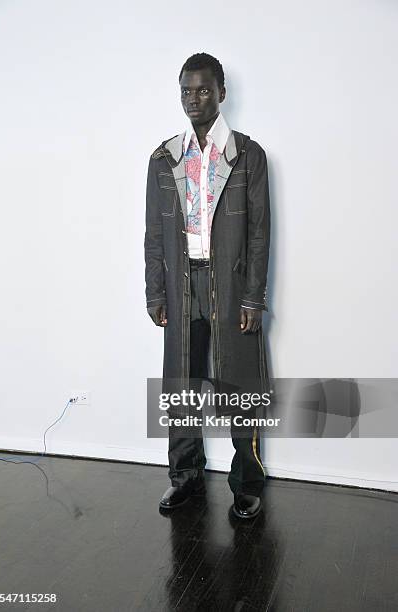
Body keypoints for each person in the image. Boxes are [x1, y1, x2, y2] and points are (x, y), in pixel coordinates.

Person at [144, 52, 271, 519]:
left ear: (221, 92)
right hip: (181, 286)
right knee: (181, 385)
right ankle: (185, 477)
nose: (193, 99)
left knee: (240, 385)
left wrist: (254, 297)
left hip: (233, 286)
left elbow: (259, 234)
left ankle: (246, 483)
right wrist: (154, 292)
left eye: (202, 90)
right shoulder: (164, 158)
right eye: (186, 91)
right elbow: (153, 234)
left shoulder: (247, 154)